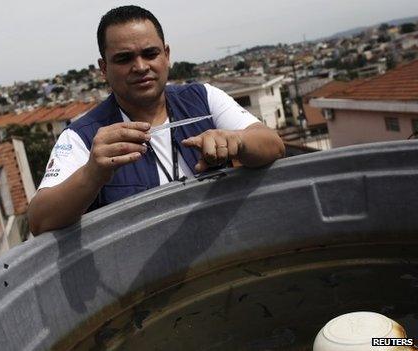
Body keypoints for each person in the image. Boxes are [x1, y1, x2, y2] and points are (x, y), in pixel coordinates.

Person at [28, 5, 285, 235]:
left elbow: (273, 144)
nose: (140, 67)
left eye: (150, 53)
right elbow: (39, 220)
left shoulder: (203, 98)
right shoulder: (83, 136)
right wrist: (93, 173)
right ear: (104, 68)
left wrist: (237, 141)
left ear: (167, 54)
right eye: (124, 58)